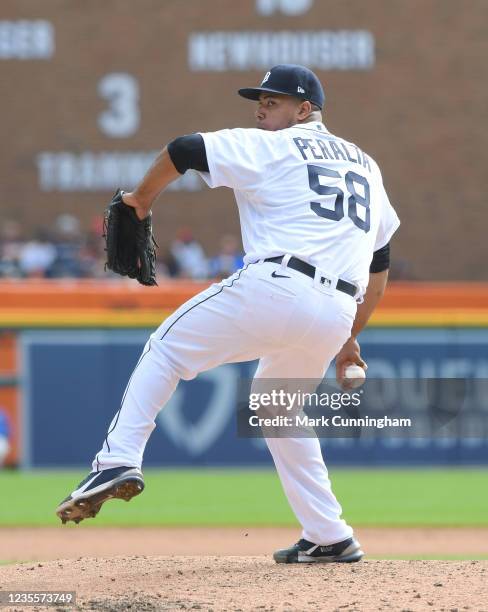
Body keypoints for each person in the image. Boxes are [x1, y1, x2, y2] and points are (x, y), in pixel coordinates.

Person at [56, 64, 399, 563]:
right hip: (337, 307)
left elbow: (183, 149)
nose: (262, 108)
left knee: (167, 348)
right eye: (260, 100)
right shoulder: (366, 165)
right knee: (278, 407)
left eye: (274, 101)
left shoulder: (275, 145)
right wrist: (349, 334)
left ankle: (116, 460)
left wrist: (139, 200)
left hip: (278, 284)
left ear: (305, 111)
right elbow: (380, 262)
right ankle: (329, 533)